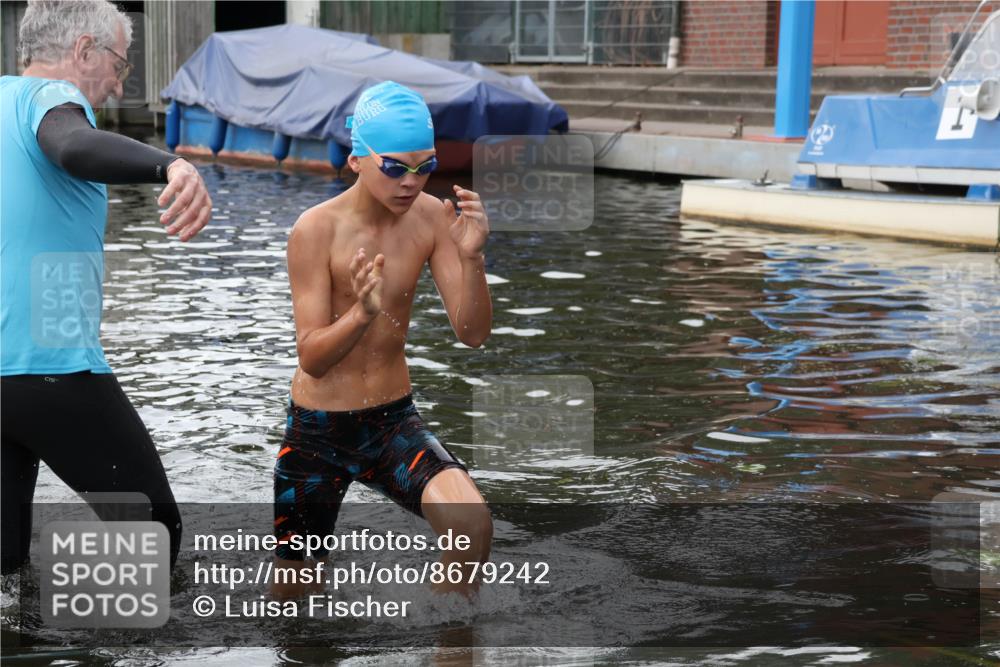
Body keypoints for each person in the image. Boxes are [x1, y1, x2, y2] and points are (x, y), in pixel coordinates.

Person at [1, 0, 212, 574]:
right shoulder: (48, 100)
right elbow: (71, 145)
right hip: (48, 367)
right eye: (121, 65)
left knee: (5, 563)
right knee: (155, 534)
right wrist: (172, 165)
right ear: (83, 51)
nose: (120, 86)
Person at [272, 81, 493, 599]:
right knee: (294, 602)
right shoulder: (314, 230)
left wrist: (472, 258)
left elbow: (472, 333)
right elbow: (313, 358)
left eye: (425, 166)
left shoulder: (432, 219)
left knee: (472, 527)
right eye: (395, 167)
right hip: (316, 434)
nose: (411, 182)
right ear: (357, 161)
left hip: (391, 423)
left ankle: (451, 650)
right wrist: (361, 314)